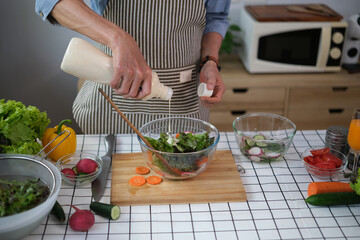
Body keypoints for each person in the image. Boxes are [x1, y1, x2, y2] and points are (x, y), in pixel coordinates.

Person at [35, 0, 230, 134]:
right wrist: (118, 39)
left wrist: (209, 60)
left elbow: (215, 16)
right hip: (113, 109)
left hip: (186, 103)